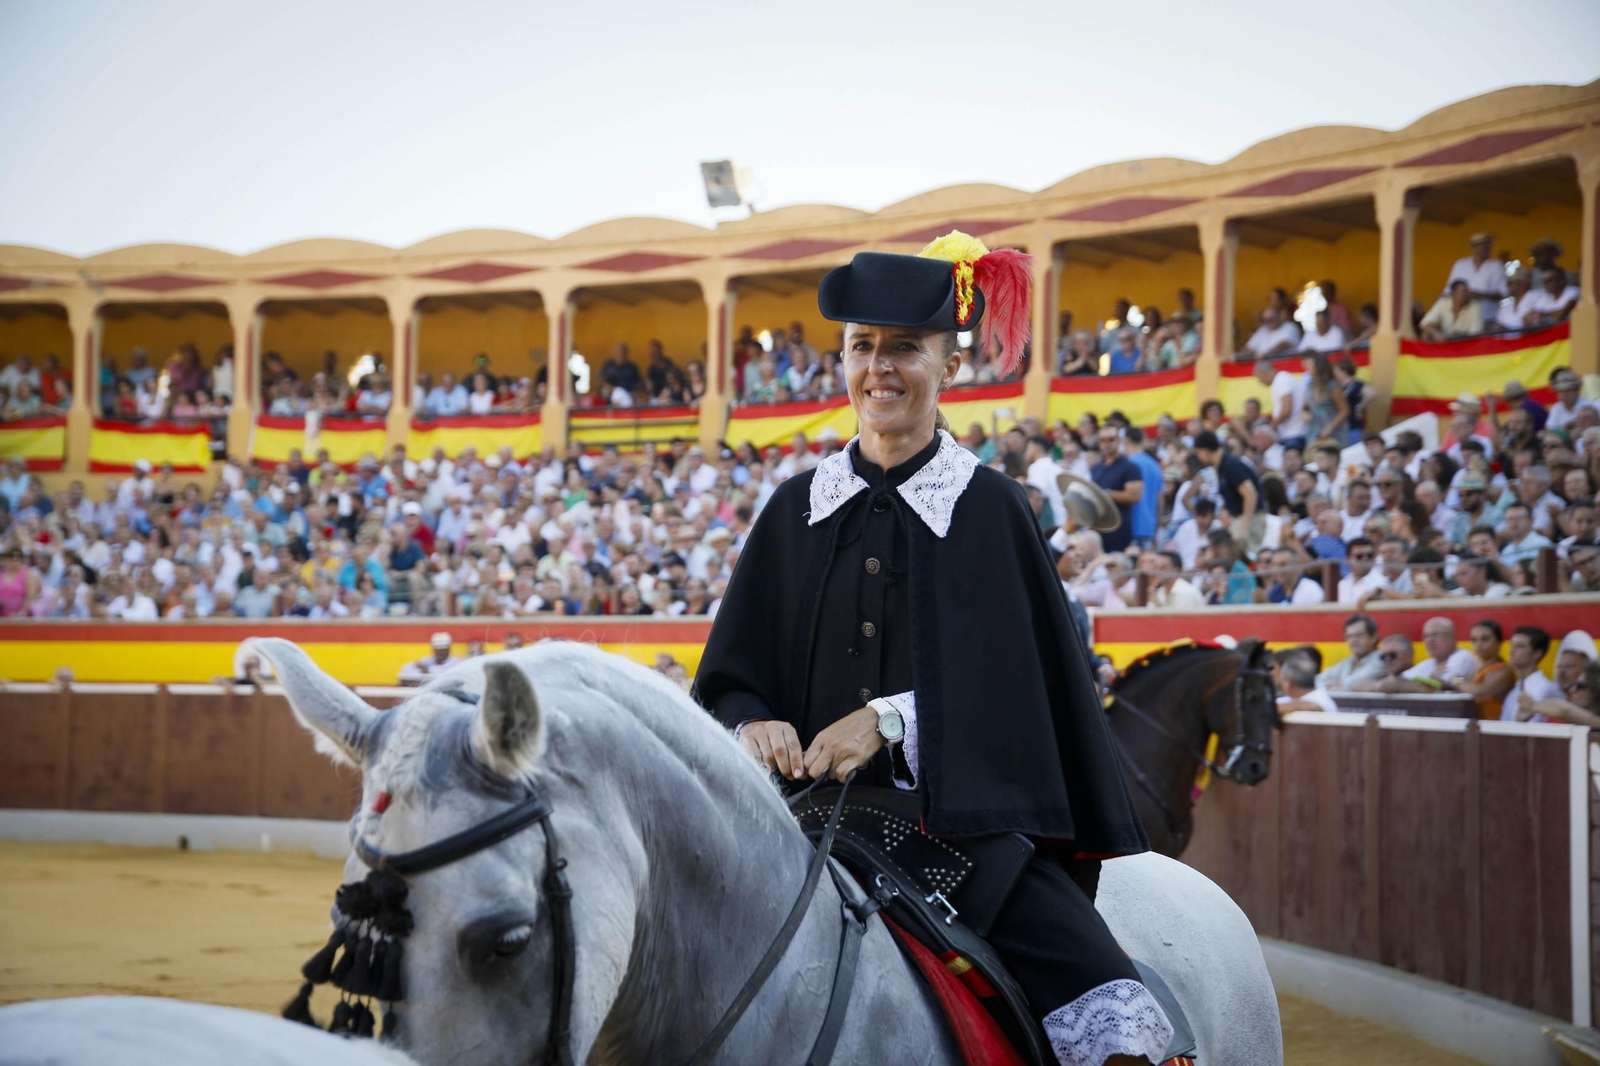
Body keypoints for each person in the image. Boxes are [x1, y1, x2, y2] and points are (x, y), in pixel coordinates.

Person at [694, 232, 1172, 1065]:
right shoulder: (792, 510)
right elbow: (731, 679)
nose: (879, 369)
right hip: (792, 825)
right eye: (862, 348)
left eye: (905, 349)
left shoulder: (992, 508)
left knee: (1115, 1028)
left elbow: (1025, 694)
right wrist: (752, 725)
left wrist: (887, 721)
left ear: (950, 367)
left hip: (959, 835)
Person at [1191, 430, 1263, 557]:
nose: (1198, 457)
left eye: (1198, 452)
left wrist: (1244, 527)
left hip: (1251, 519)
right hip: (1238, 519)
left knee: (1249, 558)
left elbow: (1250, 494)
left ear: (1205, 450)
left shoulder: (1231, 465)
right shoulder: (1221, 467)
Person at [1090, 425, 1142, 554]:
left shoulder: (1130, 467)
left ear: (1119, 441)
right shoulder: (1096, 468)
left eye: (1111, 440)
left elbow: (1135, 496)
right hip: (1098, 529)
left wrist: (1106, 494)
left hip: (1119, 532)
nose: (1107, 444)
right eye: (1103, 440)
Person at [1501, 625, 1562, 722]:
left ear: (1537, 653)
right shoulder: (1513, 692)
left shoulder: (1545, 688)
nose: (1512, 650)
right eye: (1512, 645)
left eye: (1520, 646)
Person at [1444, 231, 1507, 320]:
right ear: (1473, 247)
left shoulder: (1497, 265)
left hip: (1488, 317)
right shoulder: (1460, 264)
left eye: (1488, 244)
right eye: (1481, 245)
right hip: (1463, 317)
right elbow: (1448, 291)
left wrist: (1480, 295)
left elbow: (1503, 293)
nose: (1486, 247)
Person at [1318, 613, 1385, 691]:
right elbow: (1318, 679)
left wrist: (1340, 685)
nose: (1353, 641)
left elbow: (1355, 683)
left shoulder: (1382, 660)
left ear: (1374, 637)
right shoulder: (1348, 661)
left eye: (1359, 635)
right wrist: (1338, 686)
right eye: (1349, 636)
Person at [1419, 280, 1484, 340]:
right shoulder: (1443, 303)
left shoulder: (1474, 307)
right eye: (1462, 291)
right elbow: (1425, 323)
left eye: (1466, 291)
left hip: (1465, 343)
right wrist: (1435, 333)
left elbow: (1475, 334)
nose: (1465, 294)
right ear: (1453, 293)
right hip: (1446, 342)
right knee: (1426, 333)